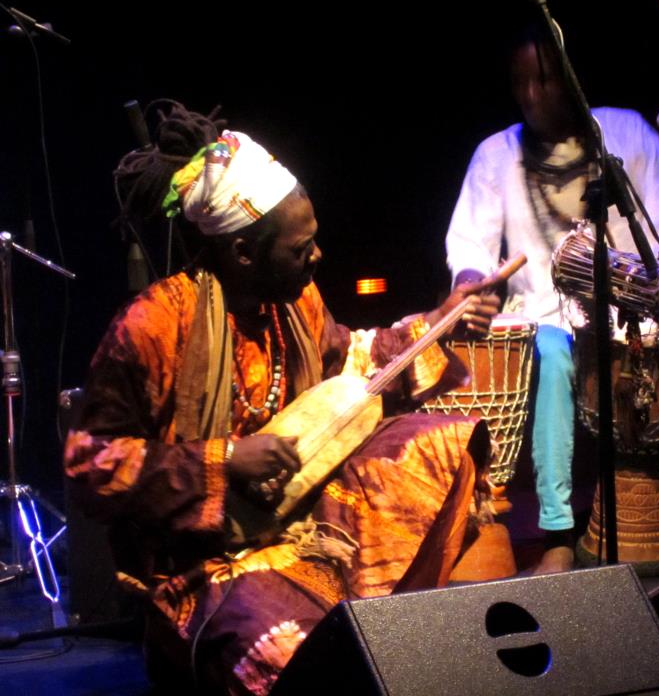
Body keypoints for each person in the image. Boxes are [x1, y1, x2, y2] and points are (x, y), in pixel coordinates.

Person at [64, 104, 499, 695]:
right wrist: (224, 461)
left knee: (442, 446)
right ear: (243, 252)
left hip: (304, 519)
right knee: (292, 651)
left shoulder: (296, 303)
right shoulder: (154, 325)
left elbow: (355, 366)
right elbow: (90, 465)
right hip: (204, 560)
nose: (316, 257)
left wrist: (438, 323)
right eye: (300, 249)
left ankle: (395, 636)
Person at [445, 26, 659, 572]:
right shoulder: (496, 154)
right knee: (550, 356)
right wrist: (472, 283)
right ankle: (558, 533)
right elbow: (469, 243)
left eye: (544, 79)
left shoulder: (625, 132)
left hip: (646, 308)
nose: (531, 95)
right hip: (548, 315)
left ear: (572, 77)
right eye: (520, 83)